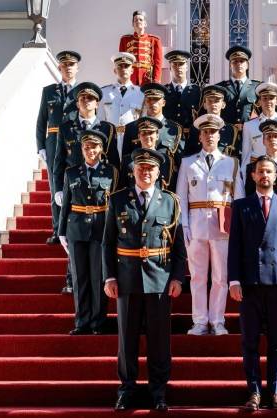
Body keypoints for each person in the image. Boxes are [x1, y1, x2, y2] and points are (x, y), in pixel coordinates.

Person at [103, 148, 187, 412]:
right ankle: (126, 390)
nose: (145, 172)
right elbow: (107, 243)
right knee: (127, 340)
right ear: (133, 171)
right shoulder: (118, 200)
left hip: (159, 280)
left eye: (150, 168)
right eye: (141, 168)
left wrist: (177, 278)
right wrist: (109, 277)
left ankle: (158, 391)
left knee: (159, 340)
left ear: (158, 172)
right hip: (127, 280)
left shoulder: (170, 201)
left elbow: (178, 246)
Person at [228, 155, 277, 411]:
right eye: (260, 171)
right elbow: (234, 246)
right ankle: (254, 392)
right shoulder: (241, 206)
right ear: (253, 175)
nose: (264, 175)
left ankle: (275, 392)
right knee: (249, 341)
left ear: (275, 176)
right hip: (249, 282)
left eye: (269, 171)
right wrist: (234, 280)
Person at [176, 113, 244, 336]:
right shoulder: (188, 163)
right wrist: (184, 226)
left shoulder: (231, 163)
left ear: (219, 135)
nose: (209, 136)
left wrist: (237, 229)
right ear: (199, 136)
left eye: (213, 132)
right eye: (205, 132)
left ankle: (217, 321)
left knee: (220, 277)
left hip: (222, 225)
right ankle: (199, 321)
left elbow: (239, 199)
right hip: (196, 224)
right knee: (197, 276)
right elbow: (181, 197)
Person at [58, 131, 118, 335]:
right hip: (76, 230)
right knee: (79, 277)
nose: (90, 151)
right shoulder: (71, 173)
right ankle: (82, 322)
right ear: (82, 150)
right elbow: (66, 205)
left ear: (101, 149)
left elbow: (114, 205)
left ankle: (97, 323)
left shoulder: (111, 172)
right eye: (87, 147)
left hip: (101, 229)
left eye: (94, 147)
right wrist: (61, 231)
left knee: (98, 277)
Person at [36, 50, 80, 245]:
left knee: (74, 186)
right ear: (59, 67)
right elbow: (41, 120)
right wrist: (40, 146)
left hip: (73, 144)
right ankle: (57, 230)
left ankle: (72, 228)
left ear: (77, 68)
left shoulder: (82, 92)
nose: (68, 68)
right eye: (65, 65)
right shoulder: (49, 91)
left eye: (71, 65)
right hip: (53, 142)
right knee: (56, 188)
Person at [121, 83, 184, 170]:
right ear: (145, 102)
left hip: (165, 177)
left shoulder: (175, 129)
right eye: (149, 99)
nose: (152, 103)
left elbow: (180, 163)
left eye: (156, 99)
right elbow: (126, 162)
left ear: (163, 103)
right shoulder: (132, 128)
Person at [240, 82, 277, 170]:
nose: (268, 102)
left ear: (276, 101)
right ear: (259, 101)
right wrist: (244, 175)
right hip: (259, 170)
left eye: (271, 98)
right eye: (264, 98)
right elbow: (246, 155)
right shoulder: (249, 126)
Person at [99, 52, 144, 162]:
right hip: (110, 140)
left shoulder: (141, 94)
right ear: (115, 70)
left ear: (132, 70)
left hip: (133, 141)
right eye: (120, 66)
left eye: (127, 66)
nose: (123, 69)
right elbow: (100, 121)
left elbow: (143, 121)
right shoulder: (104, 93)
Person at [118, 116, 176, 191]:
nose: (147, 136)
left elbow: (171, 188)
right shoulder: (128, 161)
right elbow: (122, 189)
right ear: (139, 136)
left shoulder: (167, 160)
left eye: (151, 133)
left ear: (157, 136)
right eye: (144, 133)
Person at [185, 84, 240, 157]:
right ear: (204, 105)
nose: (213, 104)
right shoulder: (196, 128)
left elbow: (235, 156)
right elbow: (189, 154)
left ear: (223, 104)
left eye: (217, 101)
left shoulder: (231, 130)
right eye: (210, 101)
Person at [216, 46, 260, 127]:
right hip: (227, 131)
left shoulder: (256, 87)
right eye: (235, 62)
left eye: (242, 61)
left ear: (247, 65)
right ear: (230, 65)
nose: (238, 64)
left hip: (249, 130)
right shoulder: (220, 87)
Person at [119, 10, 162, 85]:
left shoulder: (154, 40)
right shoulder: (125, 40)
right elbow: (121, 62)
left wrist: (156, 81)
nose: (138, 21)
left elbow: (158, 63)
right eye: (135, 20)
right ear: (132, 24)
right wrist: (122, 78)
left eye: (140, 20)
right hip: (130, 78)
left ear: (145, 23)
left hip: (147, 78)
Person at [163, 50, 201, 133]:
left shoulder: (197, 91)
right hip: (169, 136)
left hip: (191, 136)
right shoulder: (163, 91)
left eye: (181, 64)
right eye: (174, 64)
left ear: (187, 67)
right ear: (170, 68)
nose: (178, 67)